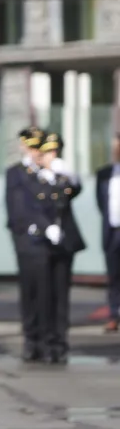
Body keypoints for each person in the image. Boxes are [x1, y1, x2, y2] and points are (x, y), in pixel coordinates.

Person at [9, 132, 85, 364]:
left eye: (53, 152)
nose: (48, 156)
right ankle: (36, 341)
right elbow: (25, 208)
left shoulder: (59, 177)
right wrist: (45, 227)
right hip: (36, 242)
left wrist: (65, 174)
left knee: (59, 297)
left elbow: (73, 191)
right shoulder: (29, 176)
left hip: (62, 243)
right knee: (37, 295)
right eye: (45, 151)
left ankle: (58, 343)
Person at [6, 126, 47, 360]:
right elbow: (14, 208)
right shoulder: (16, 173)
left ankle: (46, 338)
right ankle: (31, 339)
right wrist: (20, 235)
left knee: (46, 292)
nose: (34, 152)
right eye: (30, 147)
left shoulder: (47, 171)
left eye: (37, 148)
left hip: (47, 241)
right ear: (23, 146)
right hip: (26, 240)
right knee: (29, 291)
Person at [94, 134, 120, 333]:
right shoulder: (104, 174)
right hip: (111, 231)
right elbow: (101, 204)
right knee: (113, 276)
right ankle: (114, 315)